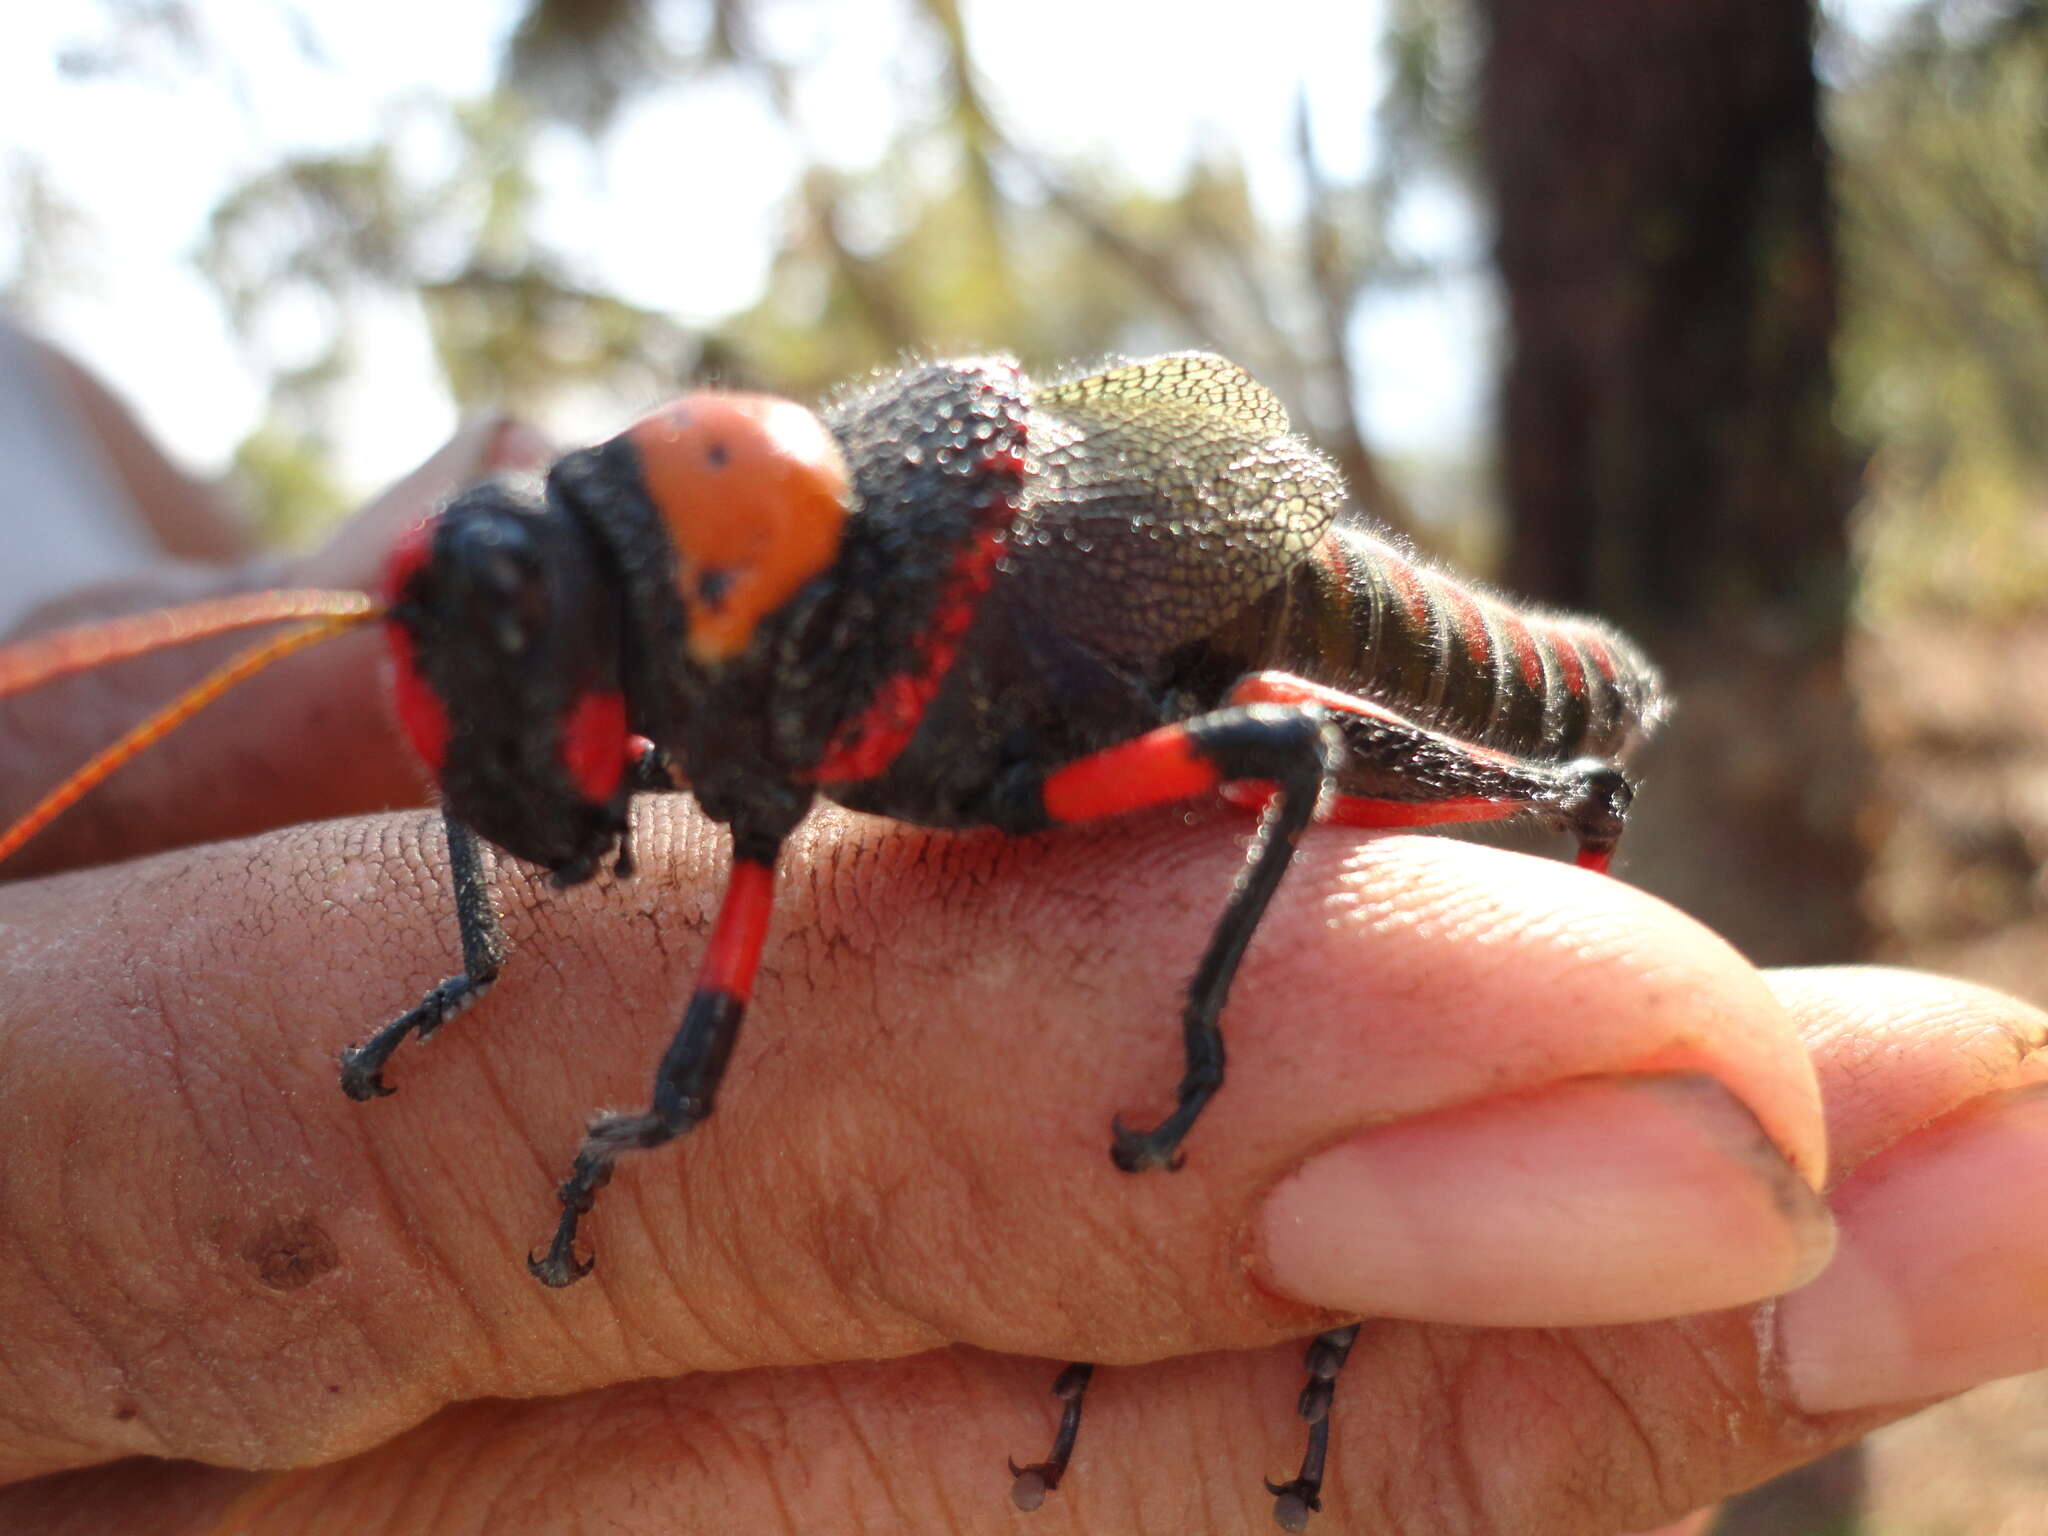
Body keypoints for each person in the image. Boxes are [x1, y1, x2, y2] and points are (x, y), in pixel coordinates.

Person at [0, 354, 2044, 1534]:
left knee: (1486, 785)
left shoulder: (828, 625)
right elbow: (520, 805)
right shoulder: (713, 667)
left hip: (1229, 623)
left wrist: (1205, 1046)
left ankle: (1342, 1263)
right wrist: (466, 974)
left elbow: (1257, 731)